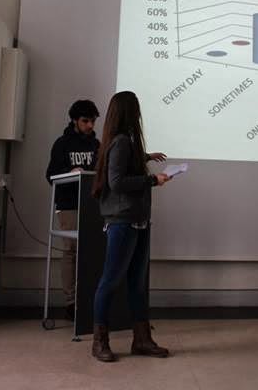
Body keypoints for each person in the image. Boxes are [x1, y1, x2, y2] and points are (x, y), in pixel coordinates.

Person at [90, 91, 171, 363]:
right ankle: (99, 342)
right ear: (130, 112)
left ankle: (142, 340)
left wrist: (145, 157)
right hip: (123, 222)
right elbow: (117, 182)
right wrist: (153, 180)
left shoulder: (122, 141)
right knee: (110, 281)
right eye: (137, 109)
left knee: (138, 283)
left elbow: (123, 167)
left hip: (137, 221)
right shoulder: (122, 141)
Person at [45, 99, 100, 322]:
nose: (90, 126)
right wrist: (70, 172)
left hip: (92, 203)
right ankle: (70, 302)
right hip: (68, 204)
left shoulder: (96, 145)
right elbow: (50, 175)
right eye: (85, 121)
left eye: (93, 121)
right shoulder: (62, 144)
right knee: (71, 251)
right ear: (75, 120)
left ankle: (88, 298)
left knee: (91, 251)